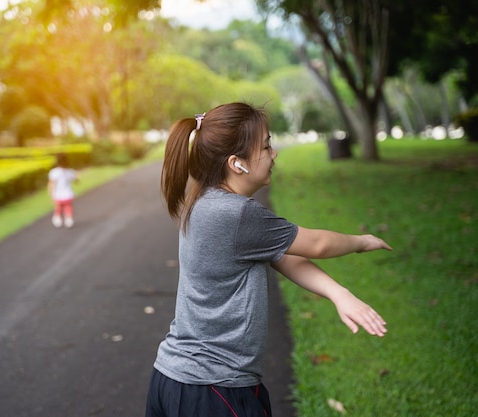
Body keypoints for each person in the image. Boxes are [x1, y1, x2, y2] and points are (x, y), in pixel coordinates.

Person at [145, 102, 392, 417]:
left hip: (175, 380)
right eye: (266, 146)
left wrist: (339, 294)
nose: (274, 154)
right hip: (213, 389)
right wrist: (362, 241)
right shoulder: (237, 214)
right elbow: (315, 244)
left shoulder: (206, 201)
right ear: (237, 163)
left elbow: (284, 257)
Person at [48, 153, 78, 228]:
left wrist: (51, 195)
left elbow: (51, 185)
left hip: (58, 194)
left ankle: (58, 219)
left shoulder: (54, 172)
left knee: (58, 207)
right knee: (68, 206)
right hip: (68, 194)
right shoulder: (70, 171)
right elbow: (76, 181)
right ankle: (68, 219)